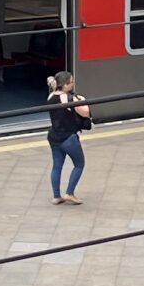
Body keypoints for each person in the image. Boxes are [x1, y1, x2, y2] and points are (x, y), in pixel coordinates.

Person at [45, 69, 90, 204]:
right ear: (65, 85)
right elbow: (85, 113)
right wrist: (83, 100)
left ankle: (56, 196)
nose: (73, 84)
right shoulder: (69, 98)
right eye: (71, 82)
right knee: (79, 164)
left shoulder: (51, 96)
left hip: (54, 136)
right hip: (68, 137)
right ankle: (69, 193)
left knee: (57, 166)